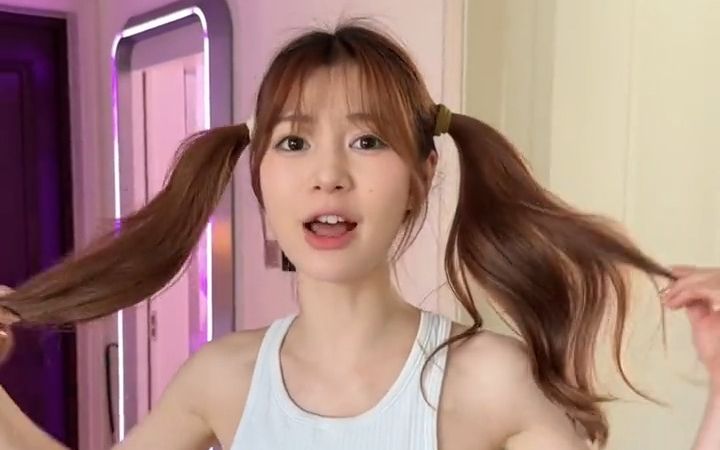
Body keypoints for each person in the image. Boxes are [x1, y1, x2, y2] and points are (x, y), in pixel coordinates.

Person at [0, 23, 719, 450]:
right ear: (259, 180)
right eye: (293, 143)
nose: (328, 175)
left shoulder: (488, 380)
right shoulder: (221, 379)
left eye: (367, 140)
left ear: (420, 177)